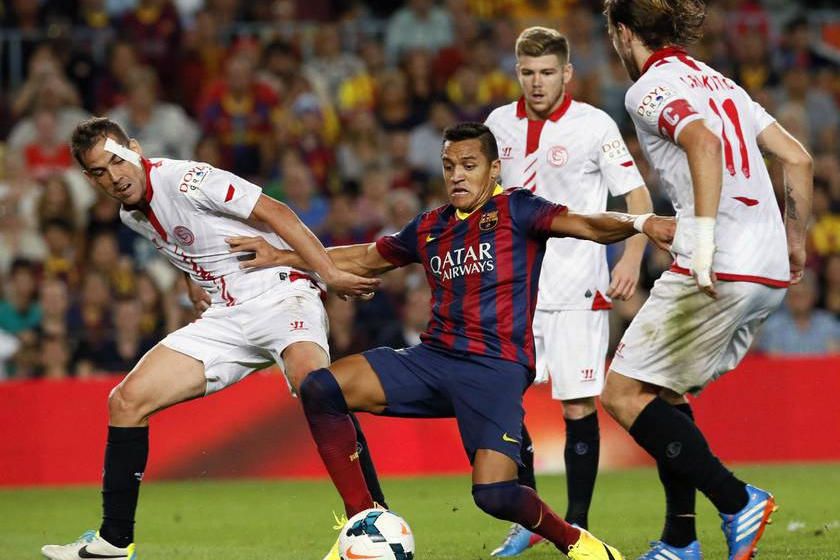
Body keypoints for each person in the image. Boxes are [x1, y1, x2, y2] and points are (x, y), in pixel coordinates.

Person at [228, 122, 675, 560]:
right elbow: (366, 258)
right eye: (449, 166)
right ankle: (366, 518)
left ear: (494, 169)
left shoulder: (518, 210)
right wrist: (282, 255)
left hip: (495, 367)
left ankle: (575, 541)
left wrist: (641, 221)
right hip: (434, 358)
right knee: (321, 388)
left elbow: (590, 225)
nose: (457, 175)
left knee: (495, 495)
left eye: (468, 165)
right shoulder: (430, 226)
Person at [40, 117, 386, 560]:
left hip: (279, 292)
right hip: (225, 316)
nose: (115, 176)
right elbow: (186, 243)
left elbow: (276, 212)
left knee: (318, 387)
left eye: (118, 161)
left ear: (135, 149)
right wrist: (191, 281)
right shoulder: (131, 214)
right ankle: (113, 542)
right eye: (100, 172)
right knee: (126, 401)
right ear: (91, 180)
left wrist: (329, 272)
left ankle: (371, 521)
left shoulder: (186, 179)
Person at [601, 2, 813, 560]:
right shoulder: (723, 83)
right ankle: (680, 541)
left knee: (621, 394)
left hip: (720, 260)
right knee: (663, 391)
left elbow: (703, 142)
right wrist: (795, 240)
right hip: (768, 265)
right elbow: (797, 159)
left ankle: (736, 499)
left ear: (624, 32)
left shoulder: (647, 89)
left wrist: (701, 237)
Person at [484, 26, 653, 556]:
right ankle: (530, 518)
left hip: (578, 286)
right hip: (514, 289)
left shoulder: (594, 125)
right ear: (517, 73)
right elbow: (484, 202)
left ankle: (576, 526)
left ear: (567, 74)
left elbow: (638, 196)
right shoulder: (497, 124)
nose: (537, 83)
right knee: (505, 402)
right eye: (528, 73)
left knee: (578, 406)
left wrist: (631, 256)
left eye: (548, 72)